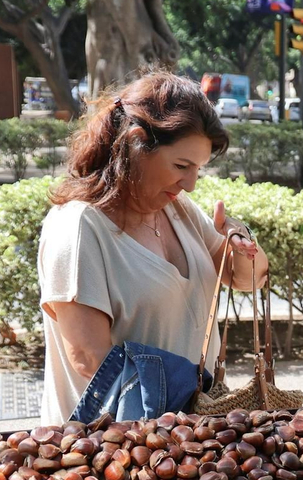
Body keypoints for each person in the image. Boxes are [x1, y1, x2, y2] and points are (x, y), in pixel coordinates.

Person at [38, 71, 269, 424]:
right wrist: (187, 416)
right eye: (181, 166)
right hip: (114, 452)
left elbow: (247, 280)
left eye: (198, 169)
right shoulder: (78, 226)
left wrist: (242, 244)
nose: (190, 184)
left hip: (185, 441)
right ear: (136, 142)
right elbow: (88, 358)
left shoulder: (177, 210)